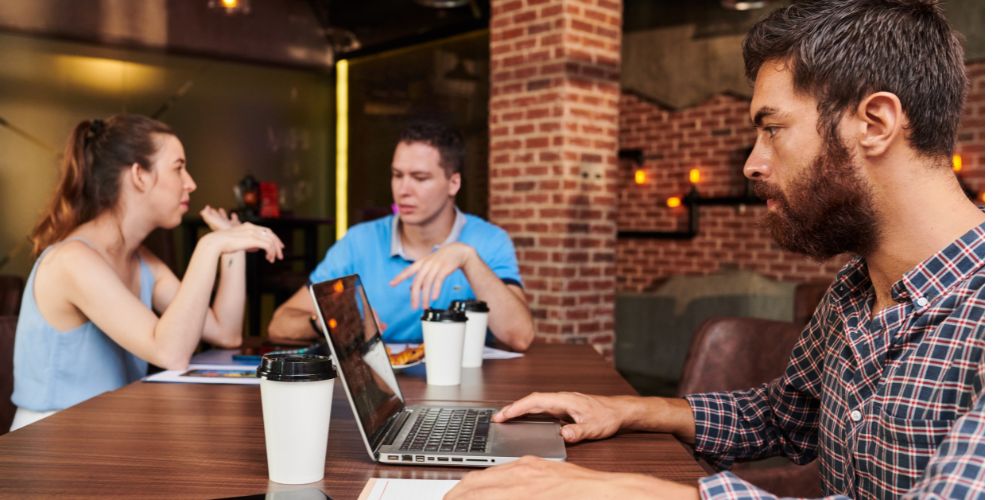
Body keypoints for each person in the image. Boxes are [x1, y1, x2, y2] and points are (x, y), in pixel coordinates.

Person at [446, 0, 984, 498]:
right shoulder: (857, 288)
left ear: (875, 123)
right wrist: (622, 410)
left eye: (772, 129)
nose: (752, 163)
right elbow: (781, 416)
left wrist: (619, 492)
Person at [10, 114, 284, 431]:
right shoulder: (72, 260)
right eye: (178, 167)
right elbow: (170, 351)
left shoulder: (141, 260)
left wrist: (232, 248)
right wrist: (209, 247)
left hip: (109, 431)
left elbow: (226, 333)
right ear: (139, 175)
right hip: (50, 439)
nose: (191, 183)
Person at [269, 118, 534, 351]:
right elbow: (280, 324)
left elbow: (520, 337)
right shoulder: (359, 242)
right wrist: (331, 325)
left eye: (420, 178)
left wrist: (468, 260)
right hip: (382, 392)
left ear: (454, 183)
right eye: (397, 175)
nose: (403, 189)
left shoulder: (489, 240)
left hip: (470, 391)